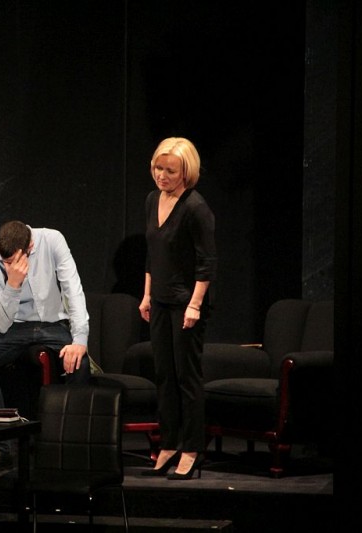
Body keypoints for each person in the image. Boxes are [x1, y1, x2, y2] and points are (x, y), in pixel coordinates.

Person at [0, 220, 91, 472]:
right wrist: (12, 285)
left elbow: (73, 289)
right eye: (5, 261)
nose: (8, 266)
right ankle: (1, 447)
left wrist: (80, 339)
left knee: (79, 361)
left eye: (13, 261)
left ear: (30, 247)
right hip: (15, 328)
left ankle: (71, 446)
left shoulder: (52, 240)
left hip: (53, 324)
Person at [138, 137, 217, 480]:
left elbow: (207, 262)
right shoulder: (152, 200)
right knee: (164, 375)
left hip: (187, 304)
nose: (162, 175)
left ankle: (191, 448)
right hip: (159, 301)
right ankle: (169, 443)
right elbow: (152, 254)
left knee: (186, 377)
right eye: (158, 168)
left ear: (186, 171)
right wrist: (146, 296)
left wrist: (195, 305)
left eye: (170, 170)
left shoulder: (195, 207)